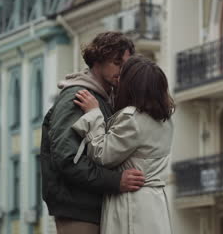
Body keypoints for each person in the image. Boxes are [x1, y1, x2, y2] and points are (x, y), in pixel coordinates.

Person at [40, 32, 145, 234]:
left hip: (93, 206)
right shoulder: (78, 96)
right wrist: (116, 181)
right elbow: (67, 159)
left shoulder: (102, 99)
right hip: (78, 210)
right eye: (117, 62)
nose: (123, 71)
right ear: (97, 60)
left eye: (126, 64)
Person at [72, 56, 174, 234]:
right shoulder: (166, 119)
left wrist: (93, 113)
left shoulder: (131, 118)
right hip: (156, 202)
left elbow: (101, 154)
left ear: (131, 85)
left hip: (131, 202)